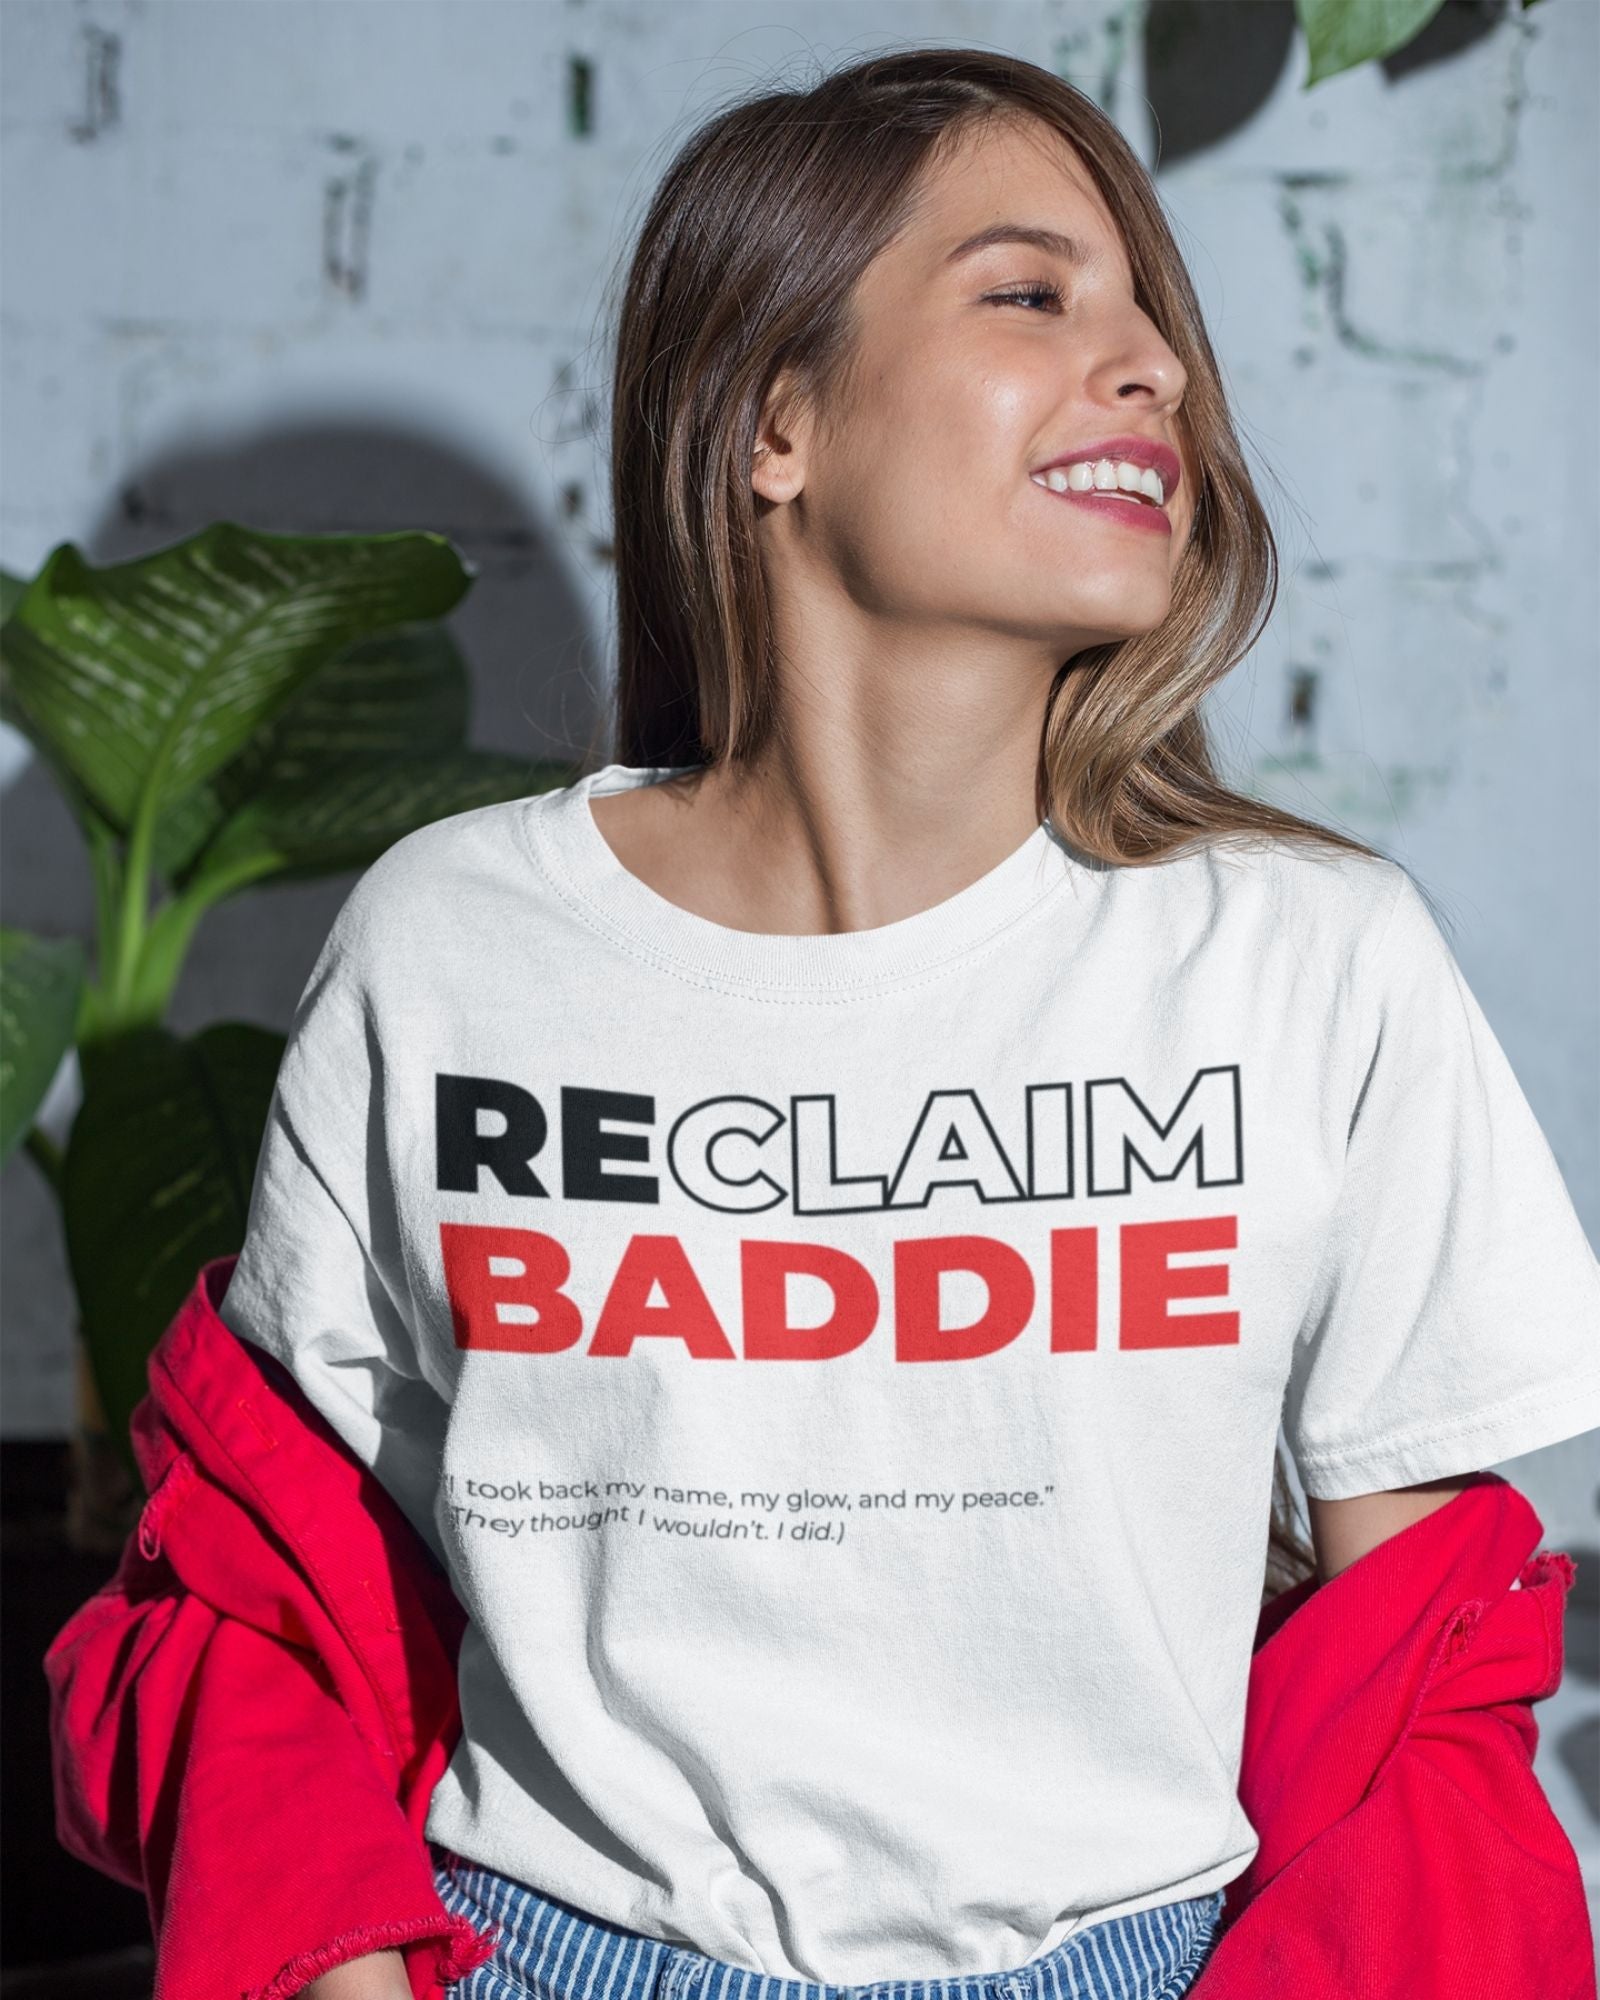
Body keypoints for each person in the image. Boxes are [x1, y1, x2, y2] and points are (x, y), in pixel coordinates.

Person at [212, 46, 1600, 2000]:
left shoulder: (1312, 964)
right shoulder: (453, 946)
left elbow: (1419, 1691)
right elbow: (266, 1592)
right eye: (1031, 293)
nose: (1152, 370)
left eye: (1152, 320)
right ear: (773, 418)